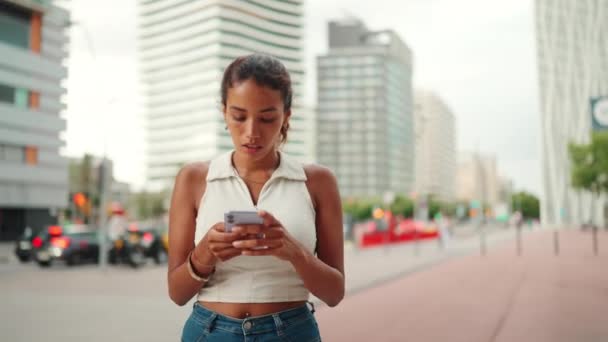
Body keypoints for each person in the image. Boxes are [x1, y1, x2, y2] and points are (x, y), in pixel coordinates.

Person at [168, 54, 345, 341]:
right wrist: (204, 254)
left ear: (286, 115)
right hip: (209, 332)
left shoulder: (318, 182)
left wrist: (294, 252)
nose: (251, 132)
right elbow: (177, 293)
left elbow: (334, 293)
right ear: (224, 112)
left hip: (291, 332)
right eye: (239, 116)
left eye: (266, 118)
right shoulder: (194, 179)